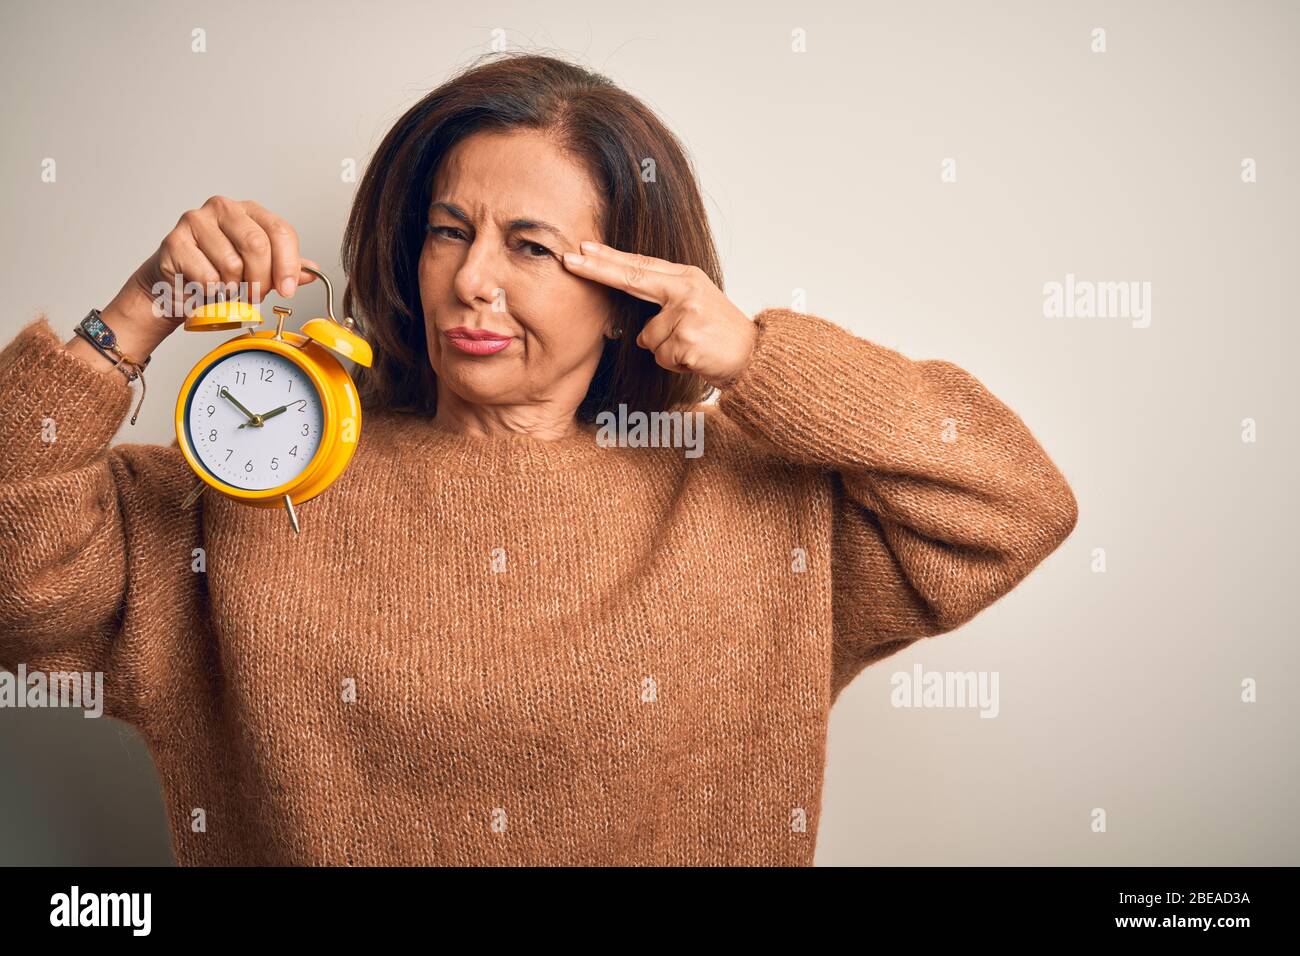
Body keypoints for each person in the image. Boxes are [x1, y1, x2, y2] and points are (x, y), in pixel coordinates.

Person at [0, 52, 1078, 866]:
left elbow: (1012, 501)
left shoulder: (760, 502)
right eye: (446, 230)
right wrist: (134, 316)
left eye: (531, 246)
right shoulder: (250, 472)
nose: (472, 280)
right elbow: (17, 578)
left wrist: (757, 357)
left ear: (627, 288)